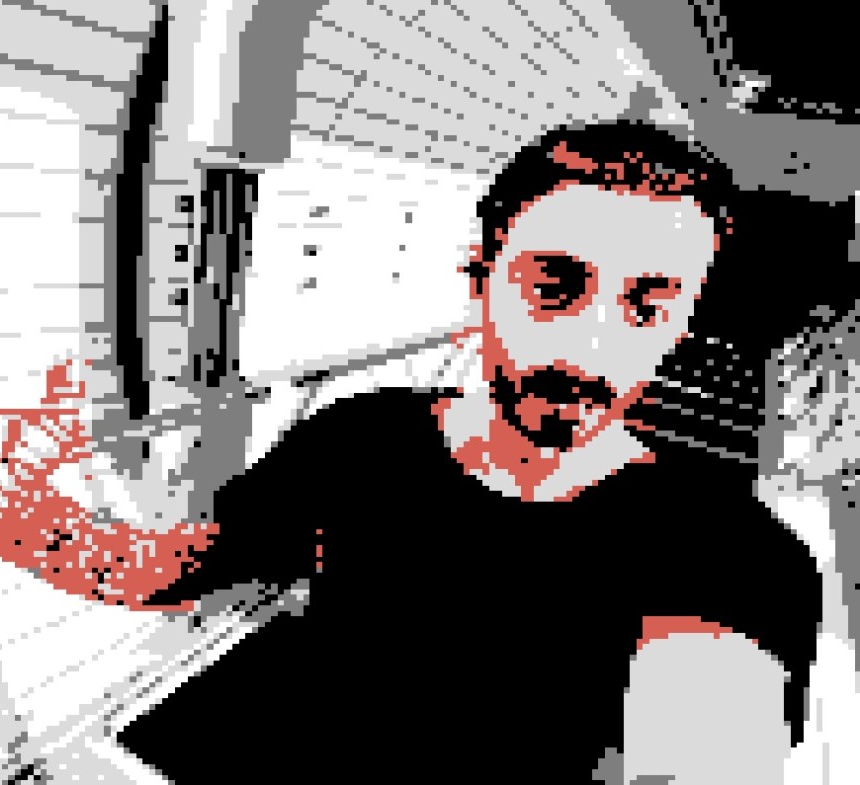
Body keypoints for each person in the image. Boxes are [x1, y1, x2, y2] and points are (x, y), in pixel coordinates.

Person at [128, 120, 822, 781]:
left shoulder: (733, 554)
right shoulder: (361, 436)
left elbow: (701, 740)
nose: (589, 349)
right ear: (479, 278)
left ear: (680, 328)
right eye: (554, 287)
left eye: (648, 307)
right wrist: (72, 542)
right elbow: (194, 564)